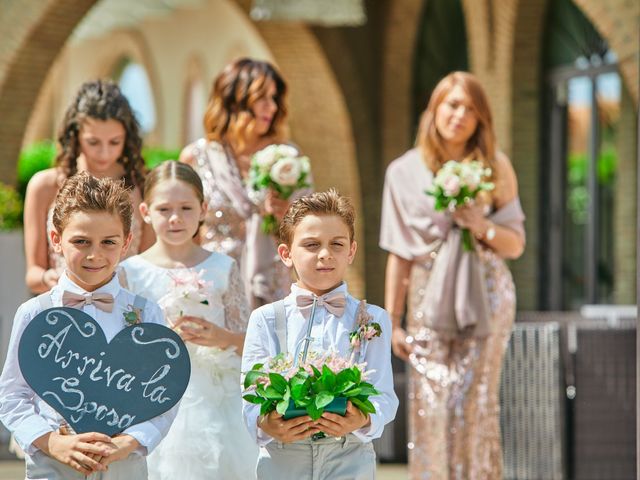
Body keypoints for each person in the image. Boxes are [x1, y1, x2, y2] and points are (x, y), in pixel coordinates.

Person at [380, 71, 526, 479]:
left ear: (481, 121)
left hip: (487, 295)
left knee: (476, 405)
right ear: (434, 109)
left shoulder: (496, 166)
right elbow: (399, 252)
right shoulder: (402, 172)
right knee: (431, 404)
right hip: (427, 298)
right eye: (453, 105)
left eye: (471, 110)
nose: (460, 116)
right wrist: (393, 320)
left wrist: (480, 224)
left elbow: (515, 244)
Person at [0, 172, 175, 479]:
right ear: (56, 240)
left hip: (124, 464)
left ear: (126, 243)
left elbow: (162, 395)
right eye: (81, 241)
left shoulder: (146, 313)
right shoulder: (35, 312)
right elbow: (12, 395)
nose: (95, 254)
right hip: (52, 463)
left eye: (109, 242)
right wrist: (52, 442)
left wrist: (129, 442)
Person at [242, 190, 398, 480]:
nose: (325, 254)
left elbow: (385, 396)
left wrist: (363, 418)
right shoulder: (264, 318)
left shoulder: (373, 318)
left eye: (336, 244)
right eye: (312, 244)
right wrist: (267, 423)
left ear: (351, 251)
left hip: (349, 455)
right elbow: (249, 395)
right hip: (284, 458)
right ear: (286, 254)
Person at [119, 161, 258, 479]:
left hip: (217, 399)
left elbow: (249, 342)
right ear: (145, 211)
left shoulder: (222, 268)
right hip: (154, 395)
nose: (175, 218)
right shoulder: (131, 272)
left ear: (203, 208)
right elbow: (122, 346)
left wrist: (222, 338)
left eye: (185, 207)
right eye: (164, 209)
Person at [181, 58, 311, 308]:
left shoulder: (288, 158)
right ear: (235, 100)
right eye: (262, 98)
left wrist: (286, 217)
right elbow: (186, 234)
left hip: (272, 291)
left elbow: (310, 232)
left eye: (275, 98)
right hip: (213, 287)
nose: (271, 107)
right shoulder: (196, 158)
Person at [23, 79, 154, 294]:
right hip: (63, 307)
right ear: (75, 136)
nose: (104, 153)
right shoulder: (44, 186)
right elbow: (33, 274)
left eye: (114, 142)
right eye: (93, 142)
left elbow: (151, 271)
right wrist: (51, 278)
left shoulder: (144, 187)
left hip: (126, 311)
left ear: (128, 139)